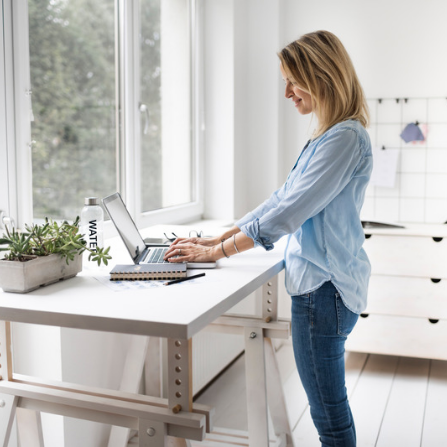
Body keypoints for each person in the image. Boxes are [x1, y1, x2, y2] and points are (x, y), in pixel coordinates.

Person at [164, 30, 372, 447]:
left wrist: (221, 250)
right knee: (327, 407)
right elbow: (282, 198)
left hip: (324, 291)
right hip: (324, 288)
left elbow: (290, 212)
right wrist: (219, 239)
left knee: (328, 415)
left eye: (293, 81)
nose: (287, 93)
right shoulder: (327, 137)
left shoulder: (344, 137)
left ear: (321, 76)